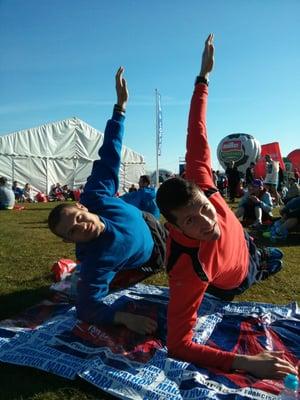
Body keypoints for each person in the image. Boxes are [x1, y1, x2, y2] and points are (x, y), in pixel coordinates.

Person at [156, 34, 297, 379]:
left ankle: (261, 256)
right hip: (235, 279)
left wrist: (203, 77)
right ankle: (261, 265)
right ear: (175, 228)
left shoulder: (202, 180)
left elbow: (196, 130)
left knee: (262, 251)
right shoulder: (186, 269)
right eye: (191, 221)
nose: (207, 221)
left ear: (203, 192)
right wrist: (248, 363)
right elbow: (178, 345)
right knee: (269, 265)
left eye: (204, 208)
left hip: (245, 245)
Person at [48, 67, 167, 335]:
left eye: (78, 218)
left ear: (82, 207)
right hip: (154, 253)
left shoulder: (94, 196)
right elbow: (86, 308)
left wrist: (120, 109)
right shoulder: (97, 259)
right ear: (71, 241)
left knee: (149, 195)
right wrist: (123, 317)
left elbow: (110, 155)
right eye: (73, 232)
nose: (81, 226)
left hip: (146, 219)